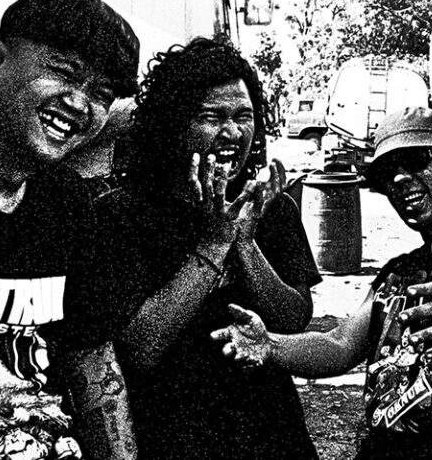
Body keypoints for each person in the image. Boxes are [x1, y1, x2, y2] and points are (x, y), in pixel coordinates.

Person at [213, 107, 432, 459]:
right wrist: (270, 345)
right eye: (387, 172)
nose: (399, 179)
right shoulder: (400, 270)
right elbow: (339, 344)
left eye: (416, 161)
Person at [99, 36, 321, 459]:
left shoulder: (270, 208)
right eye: (212, 116)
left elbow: (293, 321)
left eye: (244, 116)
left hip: (271, 436)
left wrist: (245, 244)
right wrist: (215, 243)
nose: (233, 132)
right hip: (173, 439)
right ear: (172, 124)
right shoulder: (123, 214)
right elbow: (140, 349)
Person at [0, 0, 141, 459]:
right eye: (63, 73)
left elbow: (93, 365)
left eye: (101, 94)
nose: (79, 104)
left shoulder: (69, 207)